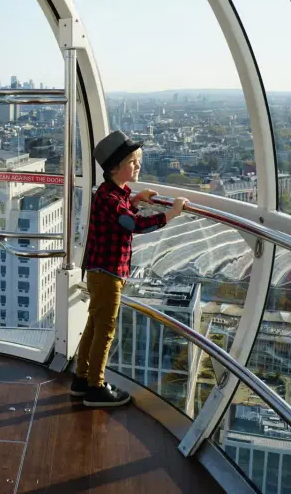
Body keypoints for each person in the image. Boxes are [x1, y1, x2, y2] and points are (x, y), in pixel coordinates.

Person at [71, 130, 188, 407]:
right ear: (115, 168)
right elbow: (131, 225)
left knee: (94, 325)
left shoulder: (111, 194)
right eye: (133, 162)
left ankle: (81, 379)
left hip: (101, 271)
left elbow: (122, 216)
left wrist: (135, 201)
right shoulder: (110, 199)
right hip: (108, 273)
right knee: (105, 330)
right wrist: (170, 214)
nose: (138, 166)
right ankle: (95, 387)